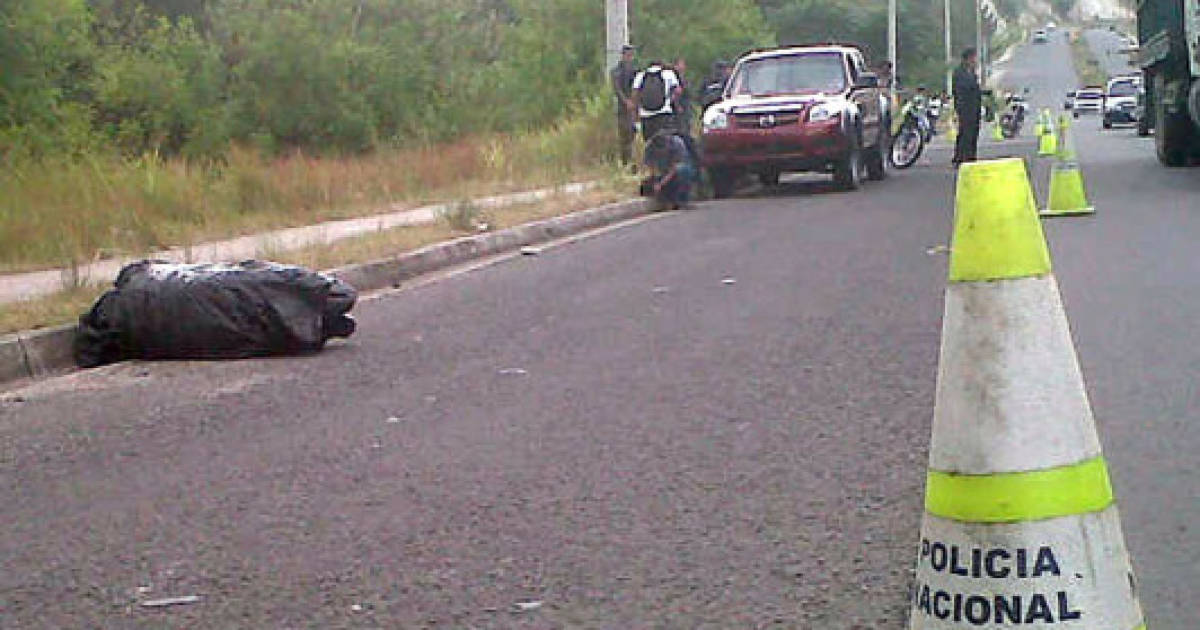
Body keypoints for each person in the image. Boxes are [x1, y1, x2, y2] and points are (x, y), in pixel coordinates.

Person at [641, 131, 695, 210]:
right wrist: (653, 179)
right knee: (647, 183)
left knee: (683, 171)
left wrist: (661, 184)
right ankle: (665, 199)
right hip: (663, 171)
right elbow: (650, 166)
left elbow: (674, 168)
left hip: (679, 168)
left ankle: (682, 199)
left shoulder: (677, 143)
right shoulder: (650, 147)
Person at [632, 60, 683, 143]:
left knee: (649, 143)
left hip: (645, 116)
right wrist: (672, 101)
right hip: (664, 114)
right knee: (665, 143)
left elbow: (634, 96)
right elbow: (678, 91)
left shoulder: (640, 75)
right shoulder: (668, 74)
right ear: (661, 65)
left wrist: (636, 116)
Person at [952, 47, 983, 166]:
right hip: (965, 106)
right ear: (968, 59)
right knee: (966, 132)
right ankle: (964, 157)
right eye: (973, 58)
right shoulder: (960, 73)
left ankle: (968, 155)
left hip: (974, 106)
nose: (975, 60)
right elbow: (964, 88)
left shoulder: (972, 72)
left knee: (972, 131)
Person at [611, 45, 638, 165]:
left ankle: (632, 161)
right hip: (623, 108)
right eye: (628, 55)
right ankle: (625, 161)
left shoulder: (634, 71)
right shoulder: (616, 71)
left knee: (633, 134)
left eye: (631, 55)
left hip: (634, 108)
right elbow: (617, 89)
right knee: (624, 135)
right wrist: (626, 101)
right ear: (623, 55)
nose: (630, 58)